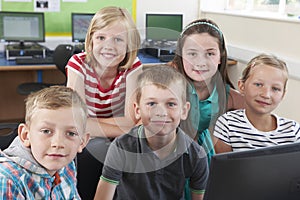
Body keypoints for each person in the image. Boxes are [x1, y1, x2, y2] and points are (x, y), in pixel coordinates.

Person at [94, 65, 209, 200]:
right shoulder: (121, 147)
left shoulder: (196, 156)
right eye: (152, 104)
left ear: (184, 110)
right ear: (137, 110)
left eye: (171, 104)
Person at [66, 6, 142, 199]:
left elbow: (132, 121)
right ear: (90, 40)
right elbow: (77, 122)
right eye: (101, 38)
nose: (109, 46)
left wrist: (92, 124)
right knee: (98, 152)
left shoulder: (133, 67)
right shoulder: (78, 64)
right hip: (88, 139)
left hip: (114, 136)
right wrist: (123, 126)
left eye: (118, 39)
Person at [169, 18, 245, 163]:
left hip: (210, 171)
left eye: (210, 54)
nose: (200, 62)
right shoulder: (167, 91)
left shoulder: (230, 97)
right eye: (192, 54)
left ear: (220, 57)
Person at [0, 86, 90, 199]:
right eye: (46, 131)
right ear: (26, 135)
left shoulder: (66, 164)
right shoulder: (8, 181)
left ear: (82, 142)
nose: (58, 143)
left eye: (71, 133)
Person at [213, 53, 300, 153]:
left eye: (275, 89)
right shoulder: (227, 124)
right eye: (258, 84)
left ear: (283, 95)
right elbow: (223, 166)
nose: (266, 95)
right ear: (242, 86)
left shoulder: (293, 131)